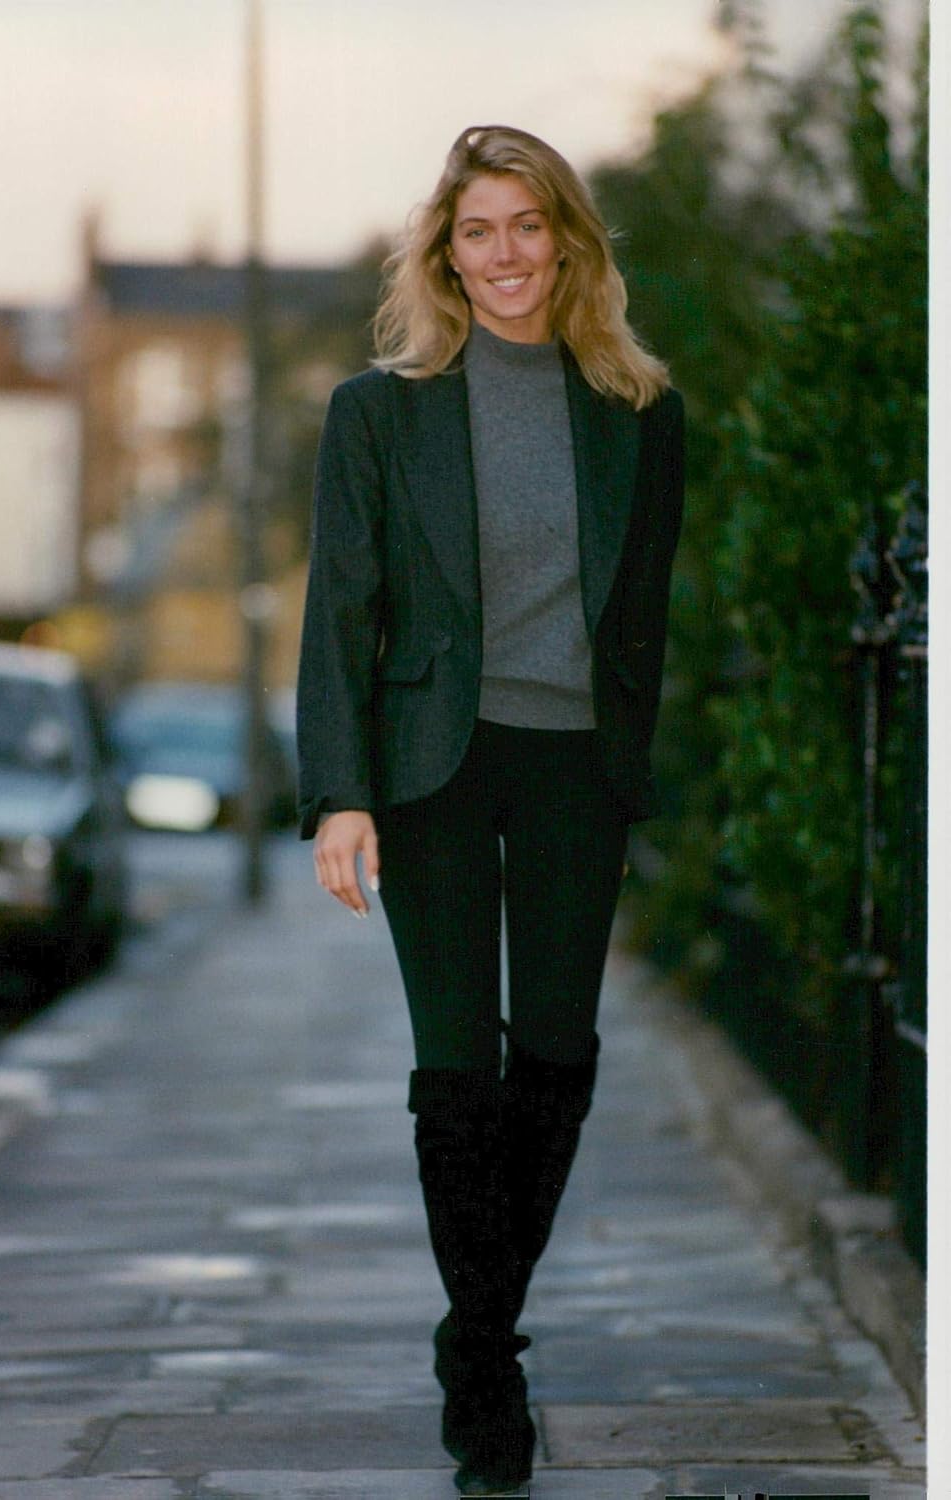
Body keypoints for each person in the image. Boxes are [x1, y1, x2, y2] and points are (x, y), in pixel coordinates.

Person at [296, 124, 684, 1496]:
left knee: (559, 1054)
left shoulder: (639, 412)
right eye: (478, 231)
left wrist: (634, 778)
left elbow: (642, 622)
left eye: (528, 226)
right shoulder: (379, 412)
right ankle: (490, 1375)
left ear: (567, 243)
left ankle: (472, 1329)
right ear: (445, 256)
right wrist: (342, 795)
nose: (505, 253)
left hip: (577, 766)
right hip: (435, 770)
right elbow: (342, 612)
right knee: (457, 1068)